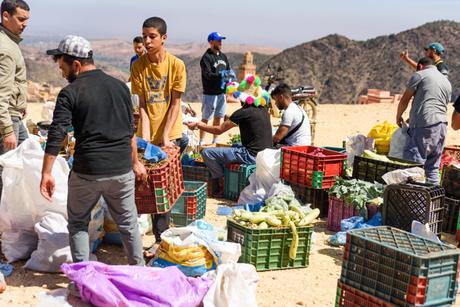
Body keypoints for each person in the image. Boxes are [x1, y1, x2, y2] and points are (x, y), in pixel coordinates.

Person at [40, 35, 147, 266]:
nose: (62, 73)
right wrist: (135, 162)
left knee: (78, 223)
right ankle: (140, 275)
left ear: (76, 65)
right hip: (121, 170)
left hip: (87, 172)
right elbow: (130, 130)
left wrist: (46, 173)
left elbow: (57, 133)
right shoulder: (120, 86)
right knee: (129, 225)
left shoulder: (70, 93)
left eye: (63, 67)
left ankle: (81, 281)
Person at [130, 16, 186, 243]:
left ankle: (162, 239)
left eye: (152, 36)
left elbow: (175, 103)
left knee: (163, 191)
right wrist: (145, 140)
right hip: (148, 135)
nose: (147, 41)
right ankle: (154, 238)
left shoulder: (176, 65)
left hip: (171, 135)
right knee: (146, 189)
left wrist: (164, 137)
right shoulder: (138, 66)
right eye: (144, 36)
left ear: (164, 38)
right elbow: (142, 105)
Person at [187, 99, 272, 194]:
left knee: (207, 153)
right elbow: (247, 121)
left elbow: (218, 130)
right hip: (265, 154)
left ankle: (220, 182)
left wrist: (199, 125)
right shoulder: (263, 110)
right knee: (235, 145)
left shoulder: (242, 112)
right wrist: (231, 118)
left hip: (250, 155)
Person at [396, 57, 451, 183]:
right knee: (432, 168)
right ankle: (433, 200)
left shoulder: (419, 75)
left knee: (413, 167)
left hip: (424, 126)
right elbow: (435, 102)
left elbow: (405, 100)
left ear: (420, 66)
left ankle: (413, 200)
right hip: (441, 126)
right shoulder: (446, 81)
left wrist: (398, 116)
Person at [0, 0, 30, 197]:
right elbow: (1, 93)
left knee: (25, 163)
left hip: (14, 115)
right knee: (7, 175)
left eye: (27, 20)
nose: (25, 24)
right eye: (20, 19)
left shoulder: (10, 42)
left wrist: (22, 103)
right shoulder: (6, 48)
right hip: (8, 120)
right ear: (5, 16)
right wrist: (7, 129)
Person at [199, 31, 231, 146]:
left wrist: (228, 87)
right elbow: (207, 75)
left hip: (221, 93)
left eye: (221, 40)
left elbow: (228, 71)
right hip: (210, 93)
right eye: (218, 40)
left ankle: (215, 140)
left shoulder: (223, 56)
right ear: (211, 42)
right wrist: (221, 75)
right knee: (205, 118)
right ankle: (202, 141)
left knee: (218, 117)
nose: (220, 42)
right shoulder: (206, 58)